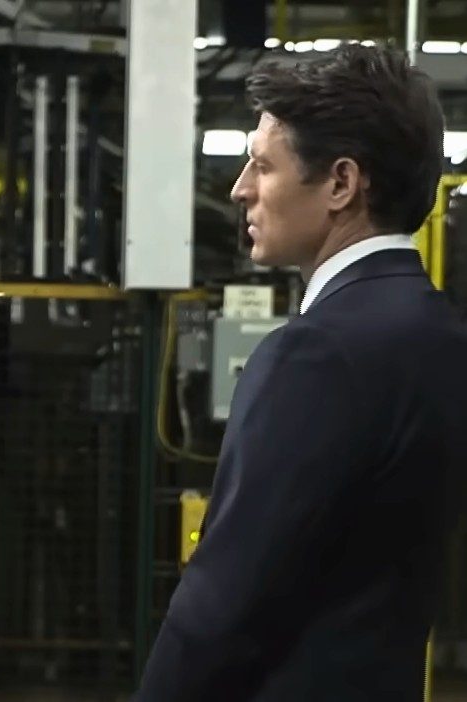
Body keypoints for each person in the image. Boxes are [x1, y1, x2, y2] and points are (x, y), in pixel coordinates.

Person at [136, 44, 467, 700]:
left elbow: (222, 604)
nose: (240, 188)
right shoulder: (440, 337)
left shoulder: (316, 354)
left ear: (341, 184)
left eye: (263, 165)